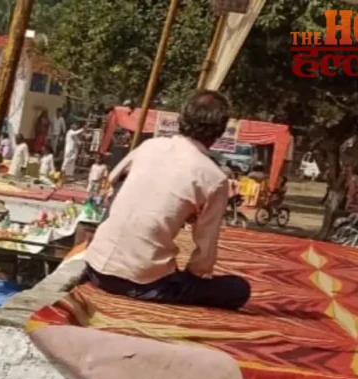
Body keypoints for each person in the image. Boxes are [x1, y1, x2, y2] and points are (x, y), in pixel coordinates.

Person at [83, 89, 250, 309]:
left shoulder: (150, 146)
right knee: (238, 289)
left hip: (95, 265)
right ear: (219, 131)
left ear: (182, 118)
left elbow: (113, 181)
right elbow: (204, 254)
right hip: (142, 282)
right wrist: (194, 277)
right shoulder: (214, 178)